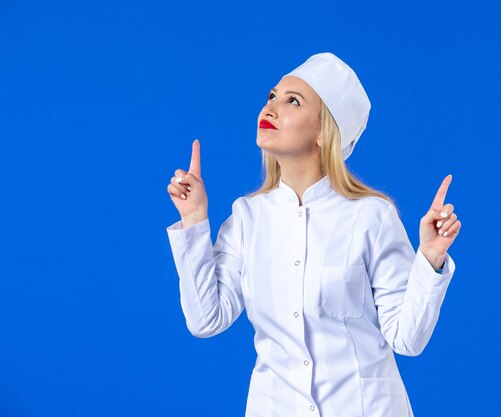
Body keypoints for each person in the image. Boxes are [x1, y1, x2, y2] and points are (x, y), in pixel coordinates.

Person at [165, 52, 461, 417]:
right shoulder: (247, 218)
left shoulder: (371, 216)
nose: (270, 108)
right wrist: (195, 219)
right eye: (272, 96)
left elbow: (407, 338)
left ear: (324, 130)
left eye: (292, 101)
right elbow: (206, 319)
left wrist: (430, 258)